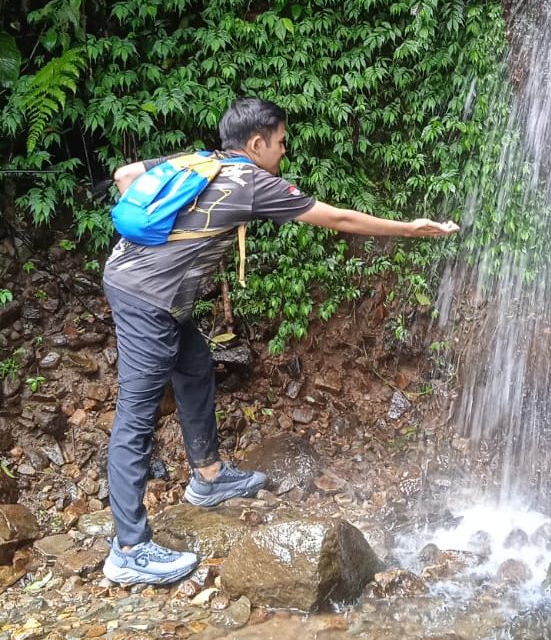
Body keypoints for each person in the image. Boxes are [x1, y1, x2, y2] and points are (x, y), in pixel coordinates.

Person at [101, 96, 459, 585]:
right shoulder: (250, 181)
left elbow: (124, 176)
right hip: (148, 300)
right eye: (282, 143)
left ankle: (208, 479)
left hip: (148, 289)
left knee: (195, 366)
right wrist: (411, 229)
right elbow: (338, 219)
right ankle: (129, 549)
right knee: (136, 416)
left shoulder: (200, 161)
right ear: (256, 144)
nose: (284, 153)